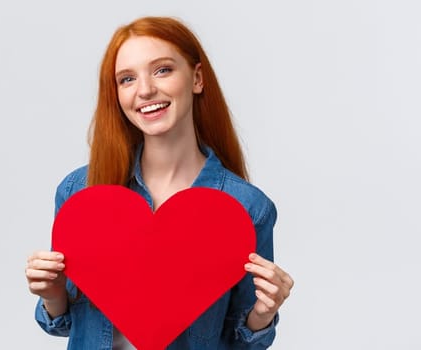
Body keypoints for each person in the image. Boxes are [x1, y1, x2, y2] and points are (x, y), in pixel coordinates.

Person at [24, 16, 294, 349]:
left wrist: (263, 316)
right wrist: (52, 295)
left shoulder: (247, 208)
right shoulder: (81, 192)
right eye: (126, 79)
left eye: (162, 70)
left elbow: (242, 342)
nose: (145, 90)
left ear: (196, 78)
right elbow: (63, 324)